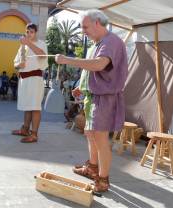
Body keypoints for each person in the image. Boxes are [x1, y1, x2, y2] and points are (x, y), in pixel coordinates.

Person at [55, 10, 128, 193]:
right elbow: (91, 68)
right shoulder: (97, 44)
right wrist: (82, 84)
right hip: (93, 96)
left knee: (101, 138)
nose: (83, 31)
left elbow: (99, 64)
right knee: (90, 134)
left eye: (85, 27)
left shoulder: (111, 41)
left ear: (97, 23)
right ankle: (92, 168)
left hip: (105, 97)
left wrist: (67, 60)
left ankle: (103, 180)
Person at [12, 23, 48, 143]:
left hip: (35, 78)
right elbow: (15, 63)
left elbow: (43, 56)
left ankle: (34, 134)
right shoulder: (22, 47)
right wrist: (19, 65)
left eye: (31, 32)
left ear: (36, 32)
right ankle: (25, 129)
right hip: (24, 79)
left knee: (35, 107)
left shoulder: (41, 43)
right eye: (27, 32)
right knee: (28, 106)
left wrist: (28, 43)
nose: (29, 34)